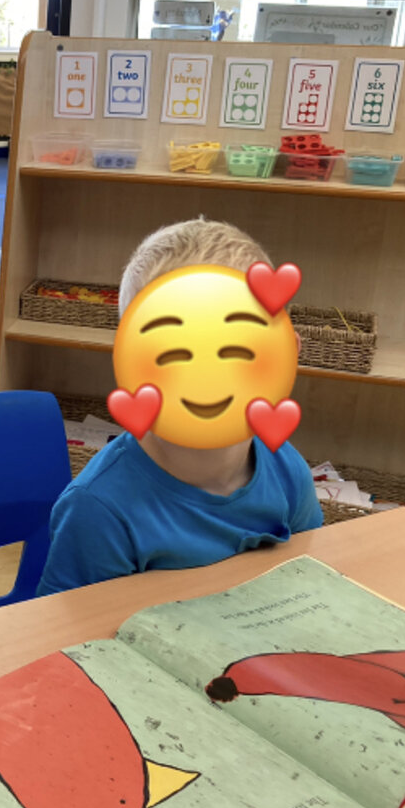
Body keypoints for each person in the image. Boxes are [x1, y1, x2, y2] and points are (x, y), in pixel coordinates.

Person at [37, 219, 323, 596]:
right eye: (173, 355)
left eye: (238, 351)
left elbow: (309, 577)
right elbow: (71, 627)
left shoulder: (286, 470)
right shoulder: (99, 508)